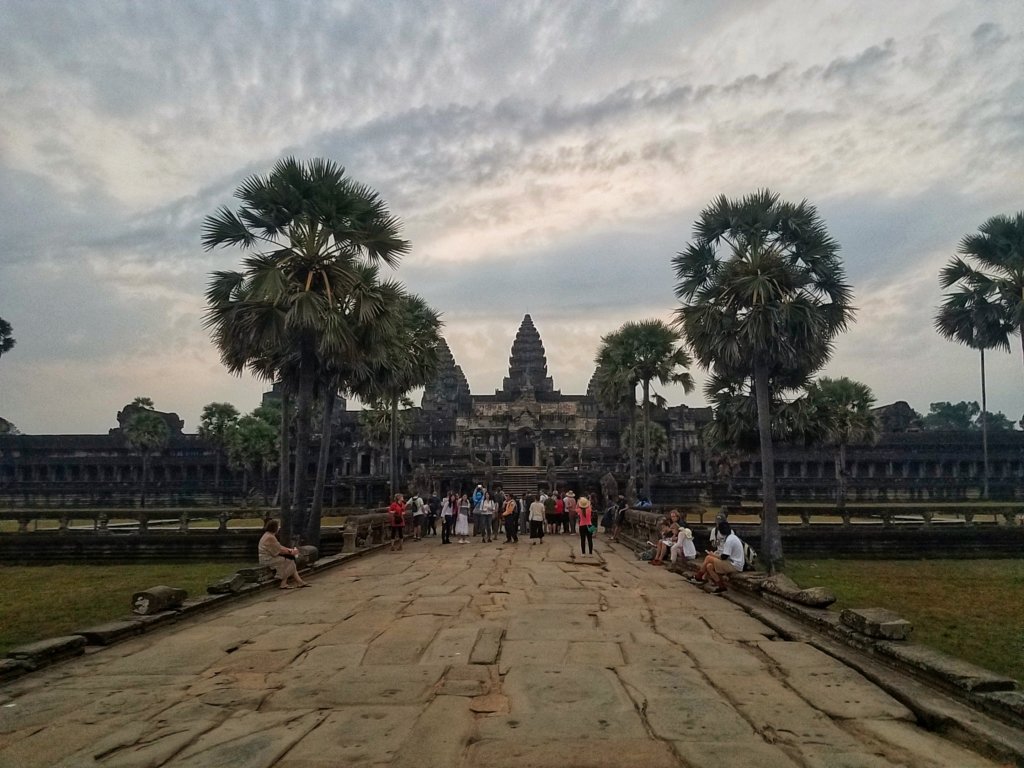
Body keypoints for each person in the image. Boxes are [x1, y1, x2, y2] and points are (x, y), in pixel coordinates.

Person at [689, 520, 745, 593]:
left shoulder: (730, 540)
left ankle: (698, 576)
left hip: (734, 565)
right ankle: (721, 586)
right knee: (709, 566)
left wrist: (713, 555)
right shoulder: (730, 537)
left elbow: (724, 557)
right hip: (731, 562)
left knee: (709, 558)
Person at [258, 519, 309, 589]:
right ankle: (285, 583)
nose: (278, 528)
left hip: (268, 557)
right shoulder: (270, 537)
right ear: (274, 528)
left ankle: (299, 582)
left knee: (290, 561)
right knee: (290, 561)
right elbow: (279, 551)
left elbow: (279, 547)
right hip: (267, 559)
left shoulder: (268, 535)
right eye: (278, 526)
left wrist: (290, 550)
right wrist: (291, 552)